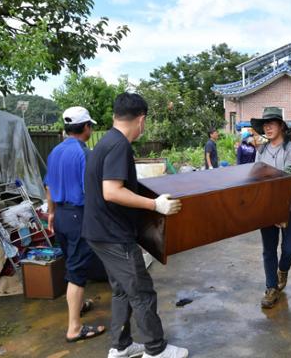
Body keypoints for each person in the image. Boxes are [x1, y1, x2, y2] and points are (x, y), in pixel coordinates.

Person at [82, 93, 188, 358]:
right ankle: (156, 349)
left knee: (121, 290)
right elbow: (112, 191)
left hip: (99, 232)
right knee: (141, 290)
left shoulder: (105, 141)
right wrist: (155, 205)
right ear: (141, 120)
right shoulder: (119, 145)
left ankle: (121, 346)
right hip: (113, 235)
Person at [44, 106, 105, 343]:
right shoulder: (84, 154)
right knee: (77, 272)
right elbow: (90, 192)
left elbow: (48, 186)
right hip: (78, 216)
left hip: (60, 216)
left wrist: (51, 213)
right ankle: (74, 328)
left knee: (72, 263)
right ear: (86, 127)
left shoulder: (55, 152)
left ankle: (78, 307)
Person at [251, 107, 291, 309]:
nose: (268, 127)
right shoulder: (261, 151)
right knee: (269, 250)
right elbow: (257, 179)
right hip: (267, 209)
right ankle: (271, 288)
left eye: (272, 123)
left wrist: (280, 211)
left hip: (290, 207)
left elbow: (286, 181)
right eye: (265, 124)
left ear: (281, 126)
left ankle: (283, 269)